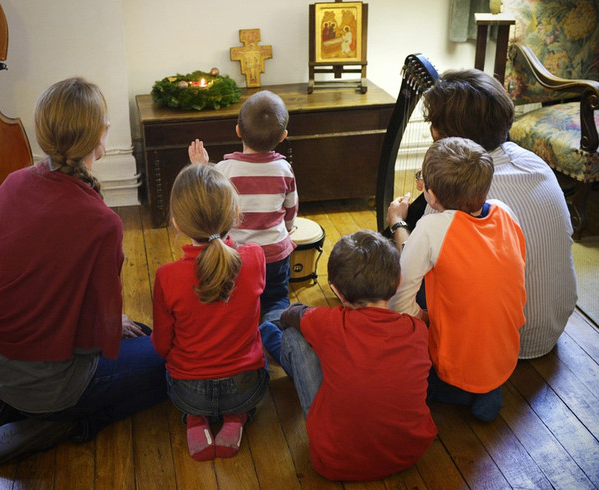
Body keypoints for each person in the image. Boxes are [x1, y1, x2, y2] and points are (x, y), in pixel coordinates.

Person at [0, 77, 167, 465]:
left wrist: (110, 322)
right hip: (50, 382)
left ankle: (13, 400)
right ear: (99, 135)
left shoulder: (13, 182)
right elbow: (92, 341)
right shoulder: (102, 222)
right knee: (168, 359)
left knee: (136, 336)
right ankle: (65, 421)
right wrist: (111, 324)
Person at [386, 68, 577, 359]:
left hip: (495, 345)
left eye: (434, 125)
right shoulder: (535, 163)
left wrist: (397, 223)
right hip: (550, 328)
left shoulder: (457, 193)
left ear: (450, 137)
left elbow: (413, 261)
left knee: (396, 286)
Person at [258, 230, 437, 481]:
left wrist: (291, 316)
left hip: (335, 460)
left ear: (337, 292)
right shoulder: (416, 329)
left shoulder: (329, 321)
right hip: (409, 453)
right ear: (398, 281)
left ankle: (269, 338)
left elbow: (291, 314)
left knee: (295, 339)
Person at [389, 137, 526, 422]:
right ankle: (486, 391)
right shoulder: (505, 212)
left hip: (452, 360)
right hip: (504, 354)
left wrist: (424, 316)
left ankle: (450, 389)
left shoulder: (430, 227)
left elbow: (399, 302)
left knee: (398, 336)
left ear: (430, 194)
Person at [151, 164, 269, 461]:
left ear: (177, 224)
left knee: (172, 370)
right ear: (234, 215)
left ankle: (196, 420)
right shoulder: (254, 258)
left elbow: (162, 346)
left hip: (189, 392)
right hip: (245, 387)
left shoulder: (167, 276)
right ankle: (236, 418)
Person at [188, 90, 297, 323]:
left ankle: (244, 321)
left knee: (238, 295)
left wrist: (202, 166)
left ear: (238, 130)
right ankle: (273, 326)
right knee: (276, 298)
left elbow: (209, 201)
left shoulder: (224, 169)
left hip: (236, 255)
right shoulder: (284, 169)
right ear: (283, 136)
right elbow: (291, 207)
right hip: (275, 253)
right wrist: (288, 228)